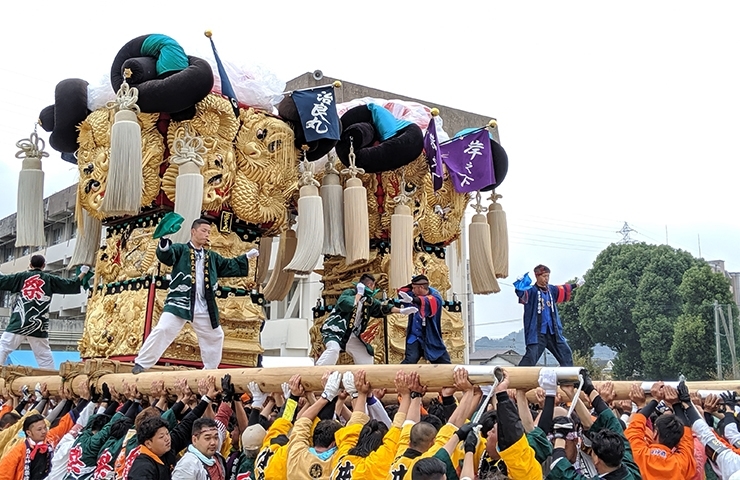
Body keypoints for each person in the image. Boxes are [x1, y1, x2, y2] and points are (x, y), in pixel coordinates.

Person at [133, 218, 258, 374]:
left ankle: (210, 370)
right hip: (180, 301)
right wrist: (164, 239)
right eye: (204, 231)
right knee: (164, 328)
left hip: (204, 304)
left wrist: (245, 257)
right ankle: (142, 363)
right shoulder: (180, 250)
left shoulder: (211, 256)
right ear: (193, 231)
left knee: (216, 335)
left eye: (209, 232)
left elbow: (227, 266)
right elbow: (166, 256)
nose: (207, 235)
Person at [0, 254, 89, 370]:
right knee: (44, 357)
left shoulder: (21, 277)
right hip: (39, 323)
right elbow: (70, 283)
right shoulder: (49, 279)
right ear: (43, 266)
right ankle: (50, 380)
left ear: (30, 264)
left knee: (4, 346)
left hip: (20, 321)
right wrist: (84, 271)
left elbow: (2, 280)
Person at [316, 273, 417, 366]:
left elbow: (382, 306)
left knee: (365, 357)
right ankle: (316, 374)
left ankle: (361, 379)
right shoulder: (349, 293)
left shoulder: (368, 301)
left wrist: (402, 311)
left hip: (351, 335)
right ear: (371, 285)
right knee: (334, 349)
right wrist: (358, 294)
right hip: (335, 330)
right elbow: (347, 305)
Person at [515, 265, 579, 367]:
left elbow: (563, 288)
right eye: (544, 276)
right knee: (531, 356)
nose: (547, 278)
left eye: (548, 276)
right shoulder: (531, 291)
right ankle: (516, 378)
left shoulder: (551, 290)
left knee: (566, 354)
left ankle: (569, 380)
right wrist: (519, 284)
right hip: (537, 333)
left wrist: (575, 285)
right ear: (537, 276)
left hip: (553, 332)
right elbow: (521, 293)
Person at [398, 275, 450, 364]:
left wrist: (413, 300)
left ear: (421, 287)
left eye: (414, 288)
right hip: (414, 336)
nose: (412, 291)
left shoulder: (435, 295)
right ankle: (397, 376)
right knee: (410, 360)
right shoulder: (413, 293)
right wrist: (414, 282)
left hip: (430, 335)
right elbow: (402, 292)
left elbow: (428, 301)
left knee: (443, 361)